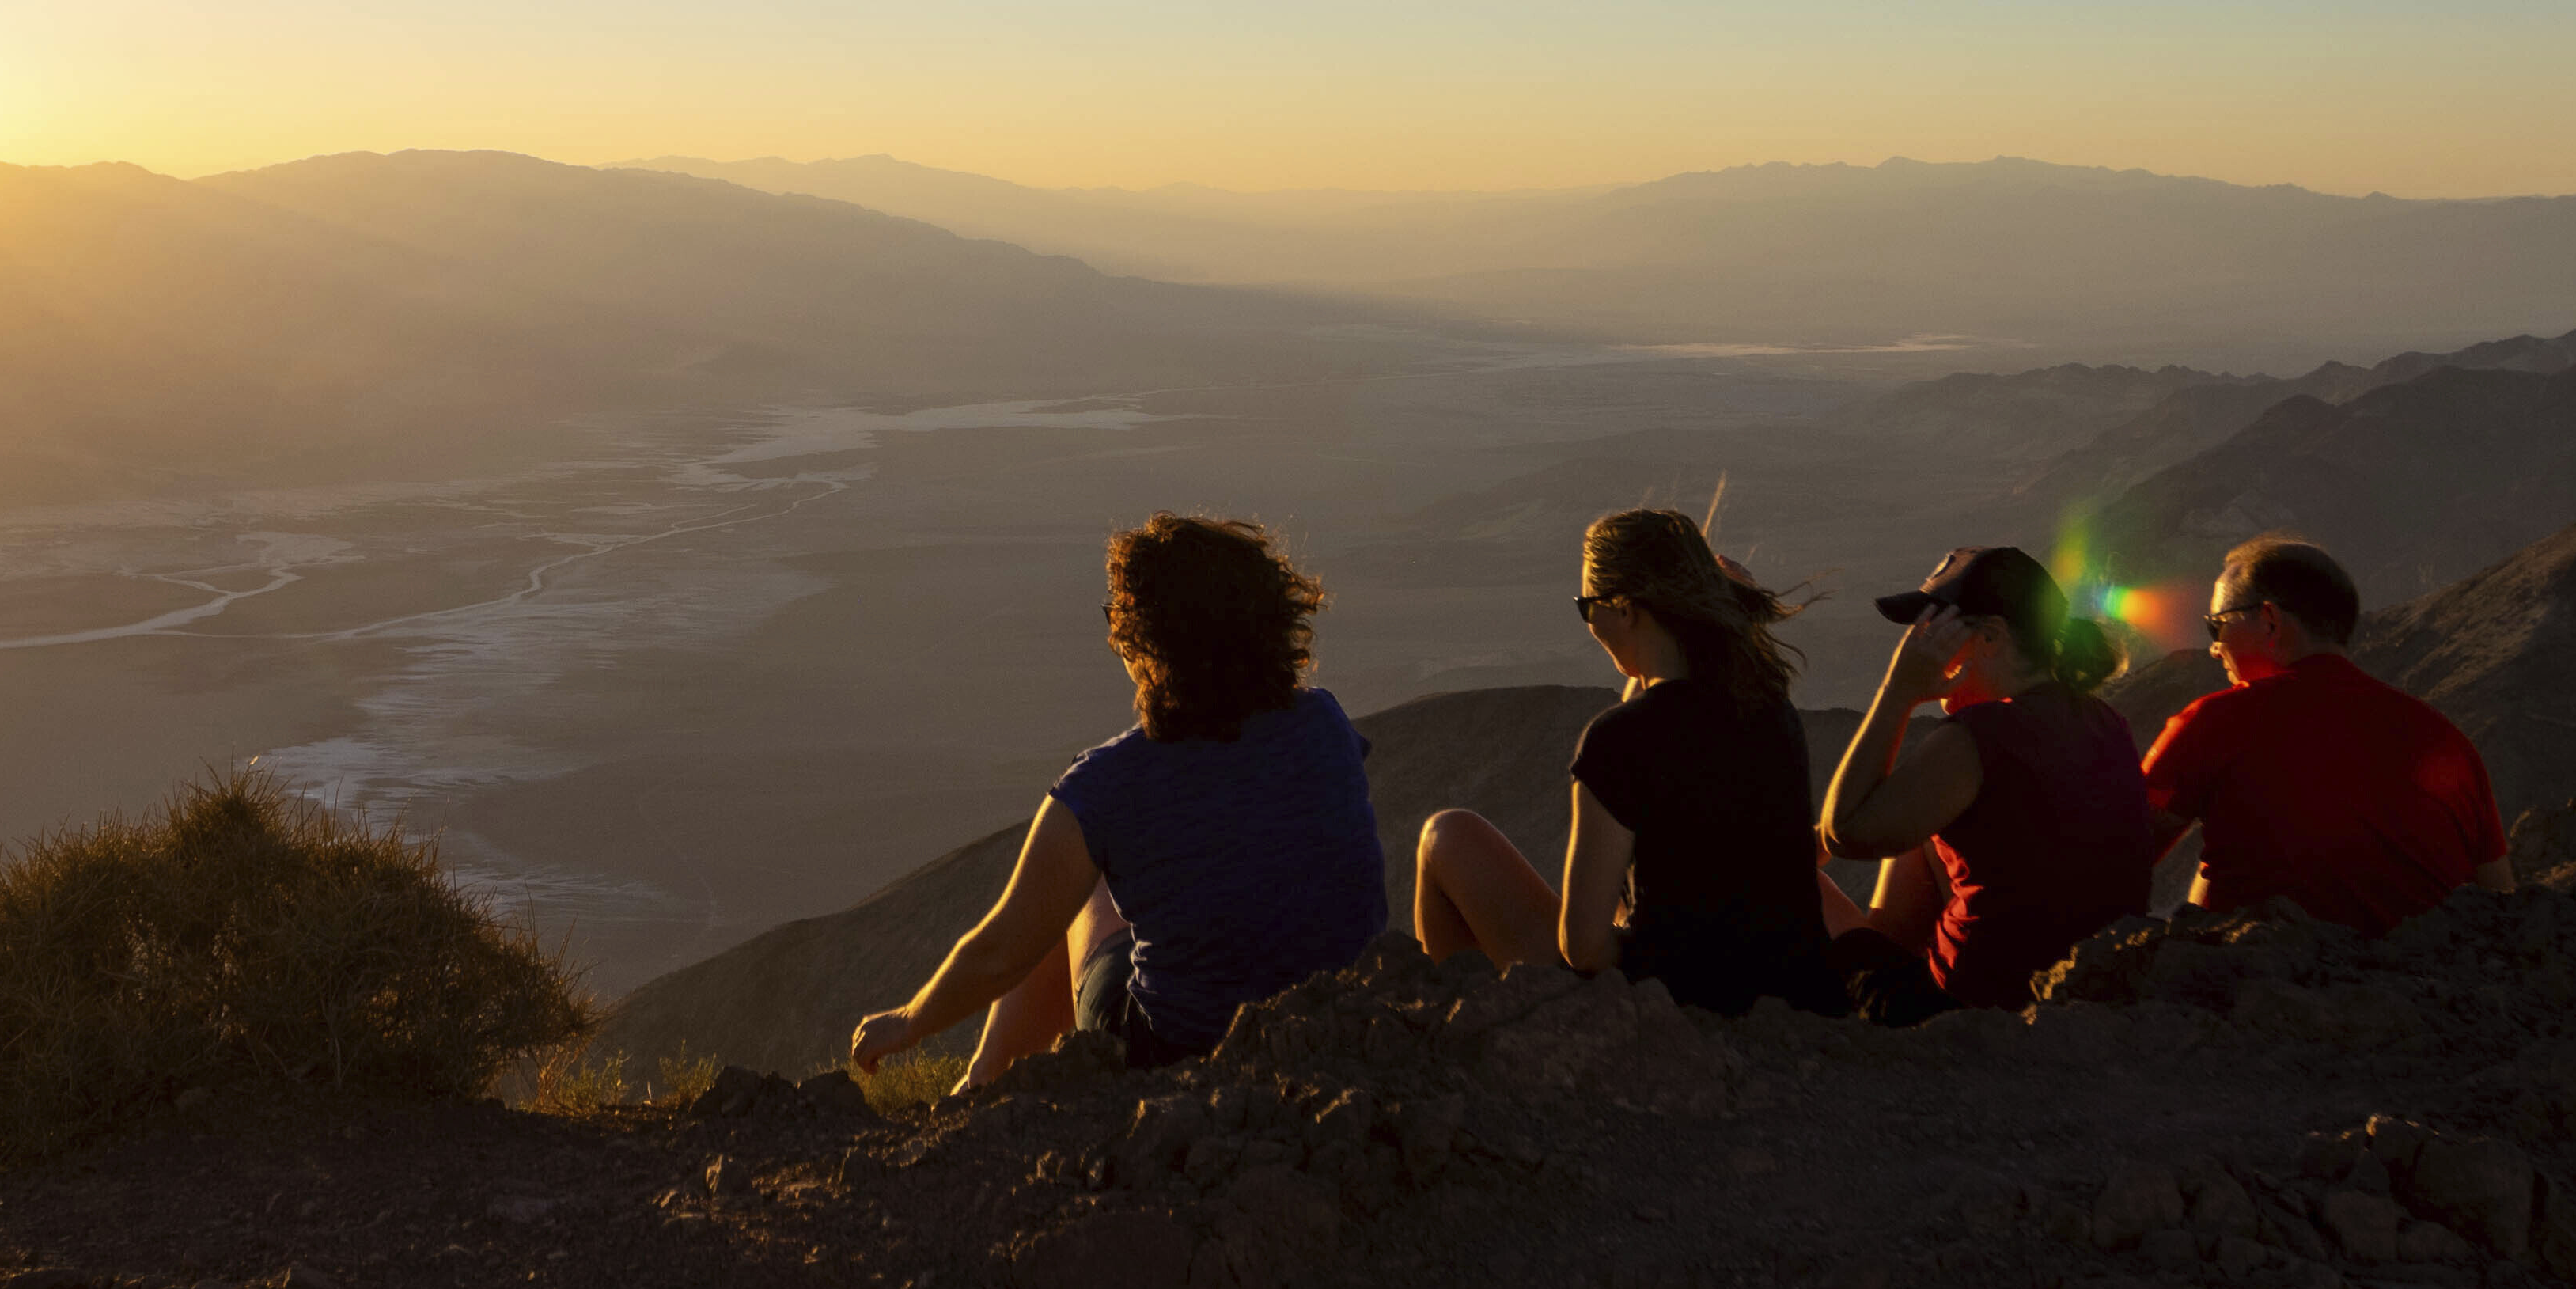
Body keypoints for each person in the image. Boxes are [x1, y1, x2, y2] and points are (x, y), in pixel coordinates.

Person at [848, 513, 1381, 1090]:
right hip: (1341, 1027)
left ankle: (979, 1087)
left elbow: (1001, 951)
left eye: (1120, 617)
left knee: (1072, 897)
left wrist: (909, 1021)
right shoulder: (1324, 719)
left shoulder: (1107, 784)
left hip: (1177, 1054)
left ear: (1148, 640)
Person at [1410, 509, 1844, 1016]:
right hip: (1795, 995)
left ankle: (1457, 1041)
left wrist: (1644, 953)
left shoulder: (1617, 743)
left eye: (1587, 606)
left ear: (1625, 610)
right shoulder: (1772, 708)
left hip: (1675, 1008)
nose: (1589, 620)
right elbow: (1662, 714)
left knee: (1447, 837)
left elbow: (1585, 948)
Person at [1817, 546, 2161, 1020]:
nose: (1919, 645)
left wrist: (1898, 691)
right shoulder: (2101, 720)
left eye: (1934, 630)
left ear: (1992, 636)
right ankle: (1879, 953)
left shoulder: (1980, 737)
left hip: (1964, 1010)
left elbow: (1847, 831)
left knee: (1774, 862)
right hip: (2079, 990)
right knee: (1924, 824)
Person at [2135, 535, 2510, 934]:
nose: (2214, 649)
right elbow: (2502, 899)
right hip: (2427, 984)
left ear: (2270, 621)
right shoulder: (2447, 741)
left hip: (2256, 982)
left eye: (2218, 626)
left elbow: (2111, 857)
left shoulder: (2214, 722)